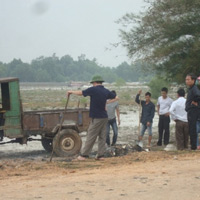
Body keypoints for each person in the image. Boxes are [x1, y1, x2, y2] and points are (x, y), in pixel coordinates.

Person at [67, 75, 116, 160]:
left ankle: (84, 155)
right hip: (105, 117)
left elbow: (81, 93)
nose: (93, 84)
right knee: (102, 136)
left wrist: (71, 92)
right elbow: (113, 95)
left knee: (91, 135)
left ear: (95, 82)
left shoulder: (93, 89)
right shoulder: (105, 90)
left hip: (97, 117)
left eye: (93, 83)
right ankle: (101, 155)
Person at [185, 73, 200, 150]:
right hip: (190, 111)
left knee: (193, 129)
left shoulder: (194, 89)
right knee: (191, 129)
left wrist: (194, 101)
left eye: (188, 79)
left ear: (193, 80)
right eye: (186, 80)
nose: (186, 81)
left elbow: (198, 96)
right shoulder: (191, 89)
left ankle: (194, 146)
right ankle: (193, 145)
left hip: (193, 111)